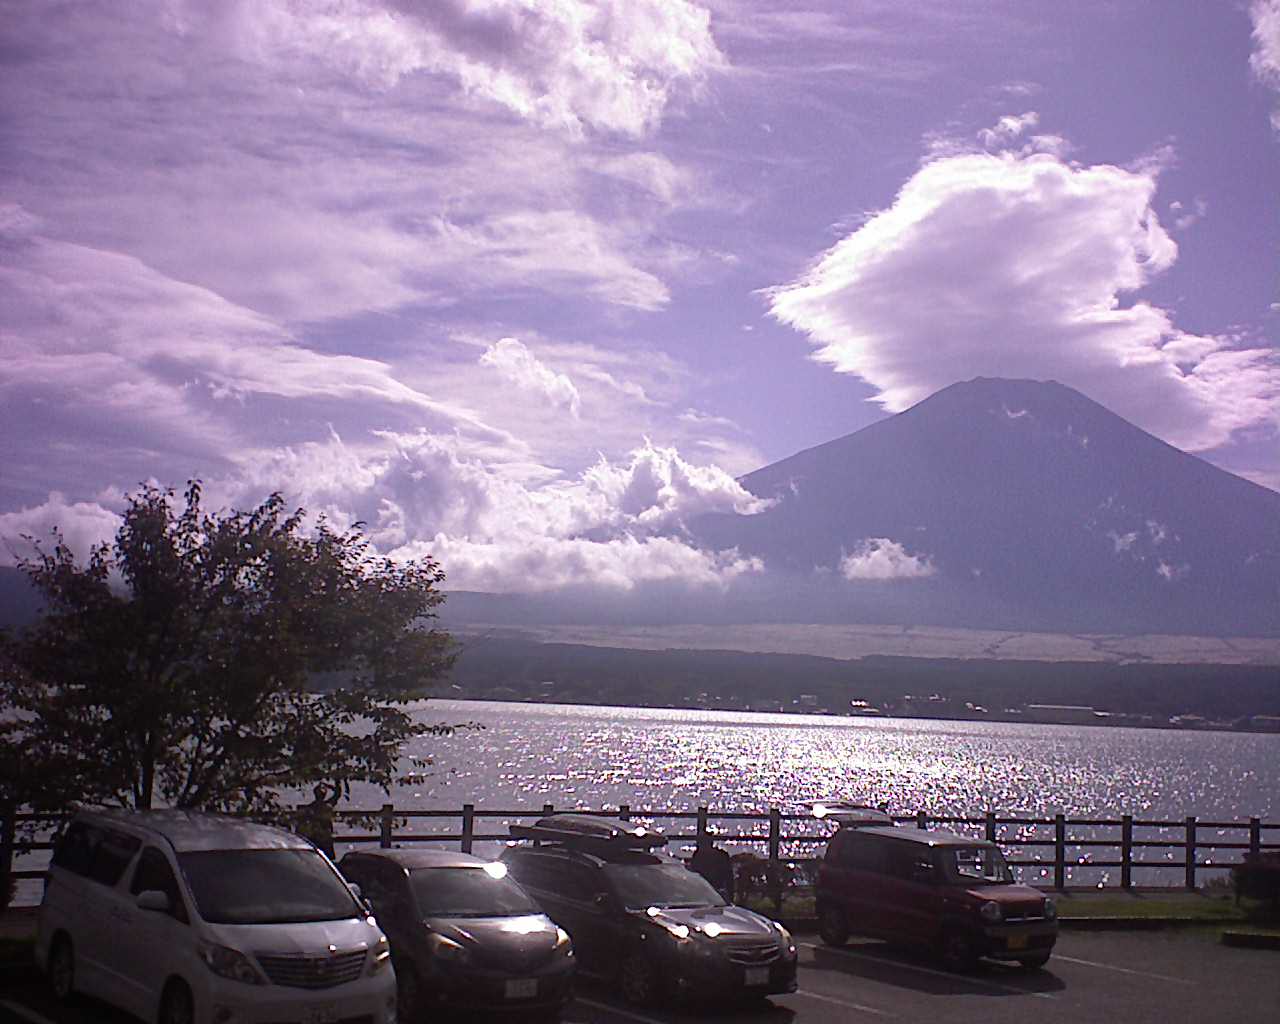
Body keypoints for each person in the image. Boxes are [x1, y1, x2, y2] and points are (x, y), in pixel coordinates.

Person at [297, 783, 339, 860]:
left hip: (317, 838)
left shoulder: (310, 808)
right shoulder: (327, 806)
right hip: (323, 838)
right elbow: (337, 793)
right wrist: (330, 786)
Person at [690, 834, 734, 903]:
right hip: (712, 890)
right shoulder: (721, 855)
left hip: (709, 889)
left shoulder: (698, 855)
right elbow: (729, 877)